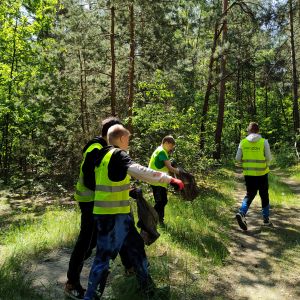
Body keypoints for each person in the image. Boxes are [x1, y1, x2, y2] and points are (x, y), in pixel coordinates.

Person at [84, 125, 184, 300]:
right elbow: (139, 170)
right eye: (128, 139)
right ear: (122, 139)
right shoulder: (118, 154)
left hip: (118, 216)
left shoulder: (102, 156)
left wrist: (129, 191)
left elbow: (104, 182)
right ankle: (90, 297)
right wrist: (170, 179)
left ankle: (147, 289)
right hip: (112, 217)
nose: (128, 143)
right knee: (103, 260)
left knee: (137, 249)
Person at [64, 117, 133, 300]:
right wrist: (107, 192)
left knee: (109, 238)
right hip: (90, 203)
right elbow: (89, 179)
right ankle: (72, 283)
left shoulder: (106, 149)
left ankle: (130, 270)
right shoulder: (95, 149)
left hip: (99, 203)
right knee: (86, 242)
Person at [235, 122, 272, 231]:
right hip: (262, 173)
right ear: (258, 131)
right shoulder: (263, 142)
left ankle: (241, 212)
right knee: (264, 195)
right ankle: (266, 220)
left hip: (249, 174)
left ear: (249, 130)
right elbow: (269, 158)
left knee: (250, 194)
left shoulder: (243, 142)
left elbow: (237, 158)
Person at [148, 135, 180, 224]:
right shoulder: (161, 152)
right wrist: (181, 173)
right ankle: (150, 219)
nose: (171, 149)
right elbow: (170, 168)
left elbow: (166, 168)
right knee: (161, 202)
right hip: (157, 181)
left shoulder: (160, 150)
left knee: (162, 201)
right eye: (170, 146)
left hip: (158, 180)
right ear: (166, 143)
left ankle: (159, 221)